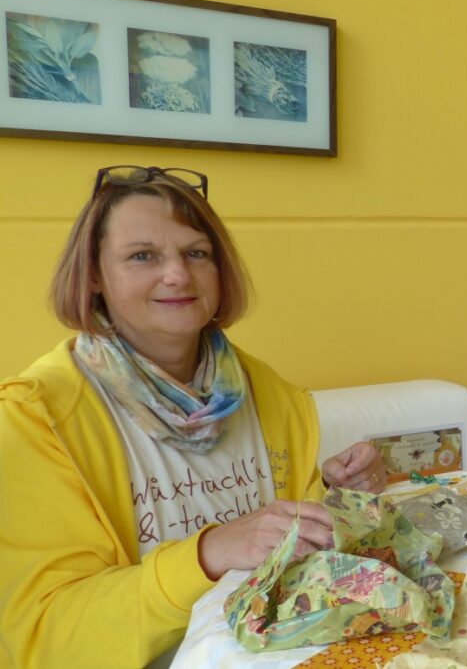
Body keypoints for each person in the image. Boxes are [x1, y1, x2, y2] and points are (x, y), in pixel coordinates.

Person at [0, 166, 389, 667]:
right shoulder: (34, 418)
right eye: (143, 255)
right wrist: (207, 554)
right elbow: (45, 636)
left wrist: (344, 498)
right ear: (94, 275)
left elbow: (299, 557)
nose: (178, 275)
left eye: (196, 253)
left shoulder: (266, 390)